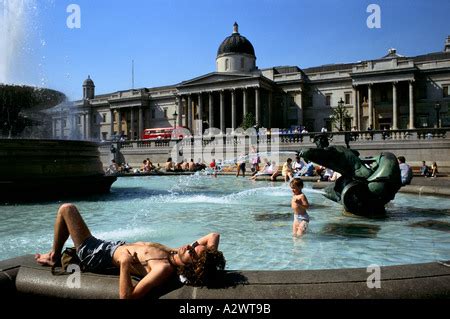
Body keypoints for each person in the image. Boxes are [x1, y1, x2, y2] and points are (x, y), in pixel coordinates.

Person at [35, 204, 225, 299]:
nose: (189, 246)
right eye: (192, 245)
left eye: (192, 252)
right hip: (106, 244)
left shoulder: (163, 269)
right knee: (67, 210)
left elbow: (127, 298)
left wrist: (125, 264)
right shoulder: (176, 253)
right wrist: (205, 257)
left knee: (67, 209)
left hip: (95, 254)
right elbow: (213, 235)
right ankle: (54, 255)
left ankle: (54, 256)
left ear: (192, 266)